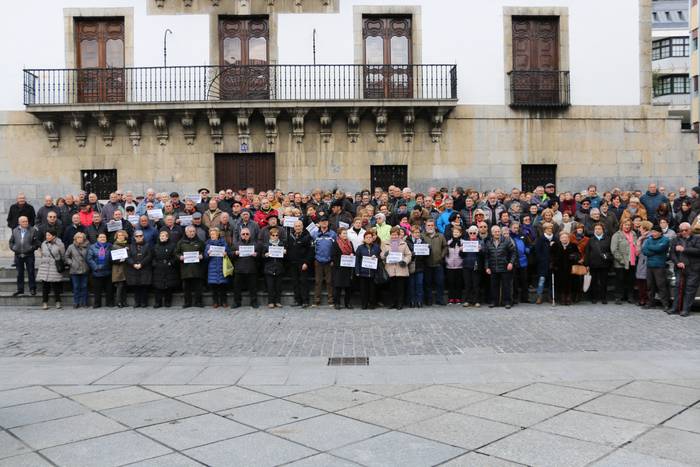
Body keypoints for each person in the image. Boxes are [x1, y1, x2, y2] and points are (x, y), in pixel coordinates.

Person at [669, 222, 700, 316]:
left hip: (693, 268)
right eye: (682, 230)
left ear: (690, 230)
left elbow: (698, 251)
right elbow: (672, 253)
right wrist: (677, 262)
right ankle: (675, 308)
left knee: (690, 288)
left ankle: (686, 309)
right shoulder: (676, 239)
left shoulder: (697, 238)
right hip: (680, 268)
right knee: (678, 287)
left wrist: (684, 249)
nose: (684, 232)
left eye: (686, 230)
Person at [484, 225, 516, 309]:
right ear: (492, 233)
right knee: (494, 286)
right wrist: (487, 267)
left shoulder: (506, 241)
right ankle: (494, 302)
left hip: (505, 267)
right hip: (493, 267)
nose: (497, 233)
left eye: (498, 231)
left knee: (506, 286)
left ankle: (507, 302)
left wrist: (511, 263)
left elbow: (513, 253)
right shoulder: (488, 242)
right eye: (495, 232)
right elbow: (486, 257)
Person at [380, 226, 412, 309]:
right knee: (392, 287)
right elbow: (381, 255)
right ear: (390, 235)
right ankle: (393, 303)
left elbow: (408, 255)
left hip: (400, 268)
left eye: (396, 235)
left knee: (400, 288)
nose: (394, 236)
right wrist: (385, 255)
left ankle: (400, 303)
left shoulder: (403, 243)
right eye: (392, 235)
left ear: (399, 235)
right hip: (390, 268)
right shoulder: (385, 243)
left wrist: (405, 261)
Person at [642, 225, 671, 311]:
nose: (653, 233)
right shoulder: (648, 240)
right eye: (652, 232)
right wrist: (655, 250)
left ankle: (665, 304)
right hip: (649, 265)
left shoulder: (665, 240)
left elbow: (660, 248)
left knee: (661, 285)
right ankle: (651, 303)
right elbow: (644, 251)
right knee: (650, 286)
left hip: (659, 266)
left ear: (660, 232)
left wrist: (651, 248)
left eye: (655, 232)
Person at [9, 215, 39, 296]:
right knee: (19, 273)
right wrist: (13, 248)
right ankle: (20, 289)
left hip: (29, 255)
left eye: (26, 221)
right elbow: (11, 241)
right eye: (23, 221)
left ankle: (32, 289)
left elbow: (36, 243)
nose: (26, 223)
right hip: (18, 255)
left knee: (31, 272)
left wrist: (31, 248)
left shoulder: (33, 230)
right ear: (19, 222)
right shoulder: (15, 230)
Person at [176, 225, 206, 308]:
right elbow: (176, 253)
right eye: (190, 231)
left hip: (197, 268)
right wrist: (180, 257)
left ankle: (198, 302)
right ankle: (187, 303)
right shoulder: (181, 242)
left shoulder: (200, 242)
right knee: (186, 287)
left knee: (198, 287)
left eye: (193, 231)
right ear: (186, 232)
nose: (192, 233)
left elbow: (205, 252)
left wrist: (202, 256)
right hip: (186, 268)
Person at [611, 219, 638, 305]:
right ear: (621, 225)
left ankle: (630, 297)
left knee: (630, 280)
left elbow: (636, 245)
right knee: (620, 280)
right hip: (621, 262)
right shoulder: (616, 235)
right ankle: (618, 297)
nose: (627, 226)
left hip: (632, 261)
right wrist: (621, 260)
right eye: (625, 225)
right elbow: (614, 250)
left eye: (629, 225)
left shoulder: (633, 234)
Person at [286, 220, 313, 308]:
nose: (297, 227)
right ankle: (297, 300)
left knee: (303, 282)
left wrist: (306, 262)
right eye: (296, 226)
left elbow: (310, 251)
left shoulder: (307, 236)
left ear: (302, 226)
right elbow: (288, 248)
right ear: (294, 227)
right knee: (295, 282)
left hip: (303, 264)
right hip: (293, 263)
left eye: (299, 226)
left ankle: (305, 301)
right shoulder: (290, 236)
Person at [36, 230, 65, 310]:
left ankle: (58, 302)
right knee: (45, 286)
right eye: (46, 235)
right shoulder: (44, 243)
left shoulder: (60, 244)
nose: (47, 237)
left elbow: (62, 255)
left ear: (54, 236)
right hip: (45, 267)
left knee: (56, 286)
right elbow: (42, 254)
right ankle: (44, 302)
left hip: (54, 266)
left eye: (49, 235)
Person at [585, 223, 613, 304]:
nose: (597, 230)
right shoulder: (590, 240)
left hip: (604, 264)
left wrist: (607, 256)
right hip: (593, 264)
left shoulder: (608, 239)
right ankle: (594, 297)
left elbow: (611, 251)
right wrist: (586, 264)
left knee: (604, 282)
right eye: (596, 229)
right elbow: (587, 253)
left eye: (599, 228)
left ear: (603, 230)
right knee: (594, 282)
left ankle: (603, 297)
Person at [550, 231, 580, 305]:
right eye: (562, 237)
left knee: (570, 283)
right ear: (560, 239)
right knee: (560, 283)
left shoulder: (573, 245)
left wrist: (574, 256)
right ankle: (562, 297)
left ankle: (569, 297)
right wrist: (552, 264)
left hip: (570, 268)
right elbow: (551, 256)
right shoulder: (555, 246)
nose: (564, 239)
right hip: (559, 268)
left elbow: (578, 255)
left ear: (568, 238)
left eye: (566, 237)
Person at [232, 227, 259, 308]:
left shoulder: (255, 244)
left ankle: (254, 302)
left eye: (247, 234)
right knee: (237, 288)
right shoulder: (236, 244)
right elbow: (230, 254)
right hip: (239, 269)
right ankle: (237, 302)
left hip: (251, 269)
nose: (245, 235)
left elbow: (260, 256)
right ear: (240, 235)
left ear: (250, 235)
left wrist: (256, 255)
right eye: (243, 234)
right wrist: (235, 253)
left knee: (253, 288)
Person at [312, 217, 337, 307]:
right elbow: (312, 247)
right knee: (318, 281)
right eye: (322, 221)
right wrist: (314, 259)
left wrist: (333, 260)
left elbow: (335, 248)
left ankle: (331, 300)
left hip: (329, 261)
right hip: (318, 260)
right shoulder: (315, 234)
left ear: (328, 222)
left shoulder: (333, 234)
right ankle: (316, 301)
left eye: (325, 221)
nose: (324, 223)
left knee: (329, 281)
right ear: (319, 222)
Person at [204, 227, 231, 308]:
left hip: (222, 266)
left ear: (218, 234)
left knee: (223, 286)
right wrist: (208, 254)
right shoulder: (208, 244)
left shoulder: (223, 243)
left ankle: (224, 301)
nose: (212, 235)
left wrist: (226, 254)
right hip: (212, 267)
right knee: (214, 287)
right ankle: (215, 302)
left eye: (214, 234)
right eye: (211, 234)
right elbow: (205, 257)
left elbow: (228, 252)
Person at [423, 219, 447, 306]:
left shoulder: (440, 236)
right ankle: (428, 300)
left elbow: (445, 247)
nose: (430, 227)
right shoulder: (422, 236)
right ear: (425, 227)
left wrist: (442, 256)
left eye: (431, 225)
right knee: (427, 283)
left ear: (435, 226)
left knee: (440, 282)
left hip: (438, 263)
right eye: (428, 225)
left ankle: (440, 299)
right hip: (427, 263)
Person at [152, 231, 179, 308]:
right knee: (158, 286)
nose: (162, 237)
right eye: (161, 236)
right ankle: (158, 302)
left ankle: (168, 301)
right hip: (158, 268)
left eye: (164, 236)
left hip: (169, 268)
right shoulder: (156, 246)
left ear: (167, 237)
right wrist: (155, 264)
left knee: (168, 286)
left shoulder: (172, 245)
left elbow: (175, 256)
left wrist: (171, 263)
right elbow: (153, 257)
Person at [127, 230, 153, 308]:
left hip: (144, 267)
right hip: (134, 268)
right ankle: (137, 302)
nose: (139, 237)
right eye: (137, 236)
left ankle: (144, 302)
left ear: (143, 236)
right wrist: (133, 264)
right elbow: (128, 257)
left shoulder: (148, 245)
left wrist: (141, 264)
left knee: (144, 286)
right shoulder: (131, 246)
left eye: (140, 236)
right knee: (136, 286)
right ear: (134, 237)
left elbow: (149, 256)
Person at [261, 227, 286, 308]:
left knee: (278, 286)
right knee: (270, 286)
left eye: (276, 235)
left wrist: (285, 253)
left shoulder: (281, 244)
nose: (275, 237)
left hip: (279, 267)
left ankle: (278, 301)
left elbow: (286, 259)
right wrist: (265, 255)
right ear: (270, 236)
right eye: (273, 235)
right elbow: (261, 256)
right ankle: (271, 301)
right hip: (269, 268)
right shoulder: (266, 245)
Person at [355, 231, 381, 309]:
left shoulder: (376, 247)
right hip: (363, 272)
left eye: (370, 237)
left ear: (373, 238)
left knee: (372, 289)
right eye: (367, 237)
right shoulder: (360, 247)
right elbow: (357, 260)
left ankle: (372, 304)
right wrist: (357, 271)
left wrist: (376, 257)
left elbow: (380, 258)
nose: (369, 239)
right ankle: (364, 304)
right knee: (363, 290)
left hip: (373, 272)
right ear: (364, 239)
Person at [87, 233, 113, 308]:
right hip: (97, 272)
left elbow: (113, 256)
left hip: (108, 270)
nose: (102, 238)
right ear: (97, 239)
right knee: (97, 289)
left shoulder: (110, 246)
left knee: (109, 289)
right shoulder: (92, 247)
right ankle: (97, 303)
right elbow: (89, 259)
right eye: (101, 237)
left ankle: (110, 302)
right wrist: (96, 267)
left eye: (104, 237)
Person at [64, 231, 90, 308]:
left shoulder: (88, 246)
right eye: (78, 237)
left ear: (84, 238)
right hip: (74, 270)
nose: (79, 239)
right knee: (76, 286)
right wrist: (71, 263)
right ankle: (76, 302)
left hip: (85, 268)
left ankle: (84, 302)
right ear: (75, 238)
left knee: (84, 286)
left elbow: (90, 256)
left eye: (81, 237)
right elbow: (66, 257)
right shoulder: (71, 246)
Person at [461, 225, 483, 307]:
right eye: (471, 233)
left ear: (477, 233)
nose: (472, 234)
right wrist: (461, 250)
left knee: (476, 284)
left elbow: (484, 254)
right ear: (468, 233)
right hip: (466, 265)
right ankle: (467, 300)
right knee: (467, 284)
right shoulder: (465, 242)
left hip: (476, 266)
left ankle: (477, 300)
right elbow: (461, 255)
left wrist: (481, 250)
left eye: (474, 233)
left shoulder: (480, 242)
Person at [534, 223, 555, 304]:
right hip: (543, 264)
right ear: (544, 230)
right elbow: (537, 251)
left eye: (550, 228)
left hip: (552, 264)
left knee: (551, 281)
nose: (549, 230)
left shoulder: (554, 238)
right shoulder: (540, 239)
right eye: (548, 229)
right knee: (541, 280)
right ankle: (539, 296)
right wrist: (542, 260)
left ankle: (550, 297)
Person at [406, 224, 426, 308]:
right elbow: (410, 250)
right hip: (411, 265)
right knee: (411, 285)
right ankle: (412, 301)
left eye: (418, 232)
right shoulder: (408, 241)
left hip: (420, 265)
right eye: (415, 232)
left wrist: (428, 249)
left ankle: (419, 301)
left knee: (419, 284)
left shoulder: (423, 241)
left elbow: (426, 252)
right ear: (411, 233)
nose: (417, 234)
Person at [444, 224, 465, 304]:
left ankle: (458, 298)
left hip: (459, 265)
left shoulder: (463, 242)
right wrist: (447, 261)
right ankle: (451, 298)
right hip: (450, 266)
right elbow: (446, 253)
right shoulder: (449, 242)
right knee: (451, 283)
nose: (455, 233)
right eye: (454, 232)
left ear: (460, 233)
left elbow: (464, 254)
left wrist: (462, 250)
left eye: (457, 232)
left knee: (458, 283)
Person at [109, 230, 130, 307]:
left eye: (122, 235)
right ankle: (118, 302)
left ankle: (124, 301)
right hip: (118, 268)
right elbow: (112, 259)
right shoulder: (114, 246)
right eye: (119, 235)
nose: (121, 236)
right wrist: (120, 260)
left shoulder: (127, 245)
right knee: (119, 286)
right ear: (116, 237)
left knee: (124, 286)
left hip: (125, 267)